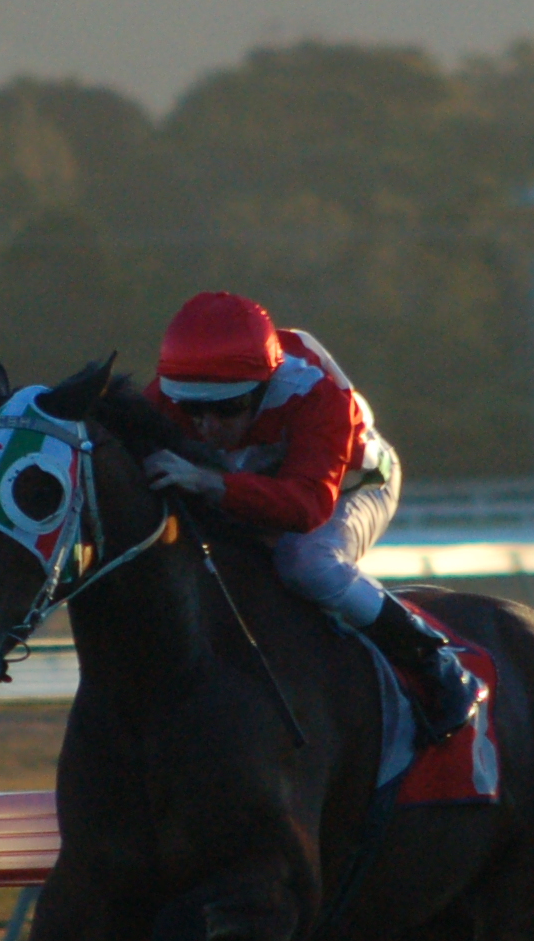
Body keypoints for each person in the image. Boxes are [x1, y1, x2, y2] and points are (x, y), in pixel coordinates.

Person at [138, 291, 474, 743]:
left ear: (264, 387)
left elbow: (307, 507)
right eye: (192, 408)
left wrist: (209, 483)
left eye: (226, 408)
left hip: (353, 485)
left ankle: (431, 658)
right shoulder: (164, 396)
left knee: (305, 562)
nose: (207, 424)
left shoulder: (317, 395)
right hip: (260, 486)